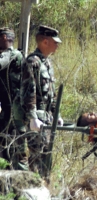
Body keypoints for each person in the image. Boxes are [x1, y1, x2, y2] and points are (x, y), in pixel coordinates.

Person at [20, 25, 63, 180]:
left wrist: (56, 114)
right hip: (37, 118)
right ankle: (35, 186)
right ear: (45, 42)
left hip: (47, 117)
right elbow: (29, 90)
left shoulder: (47, 63)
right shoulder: (33, 62)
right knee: (37, 157)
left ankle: (45, 185)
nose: (57, 45)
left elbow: (50, 92)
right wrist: (32, 118)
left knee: (47, 155)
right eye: (54, 42)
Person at [0, 27, 27, 170]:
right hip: (7, 108)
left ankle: (25, 182)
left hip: (13, 110)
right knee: (5, 146)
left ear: (4, 38)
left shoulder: (12, 54)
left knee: (16, 148)